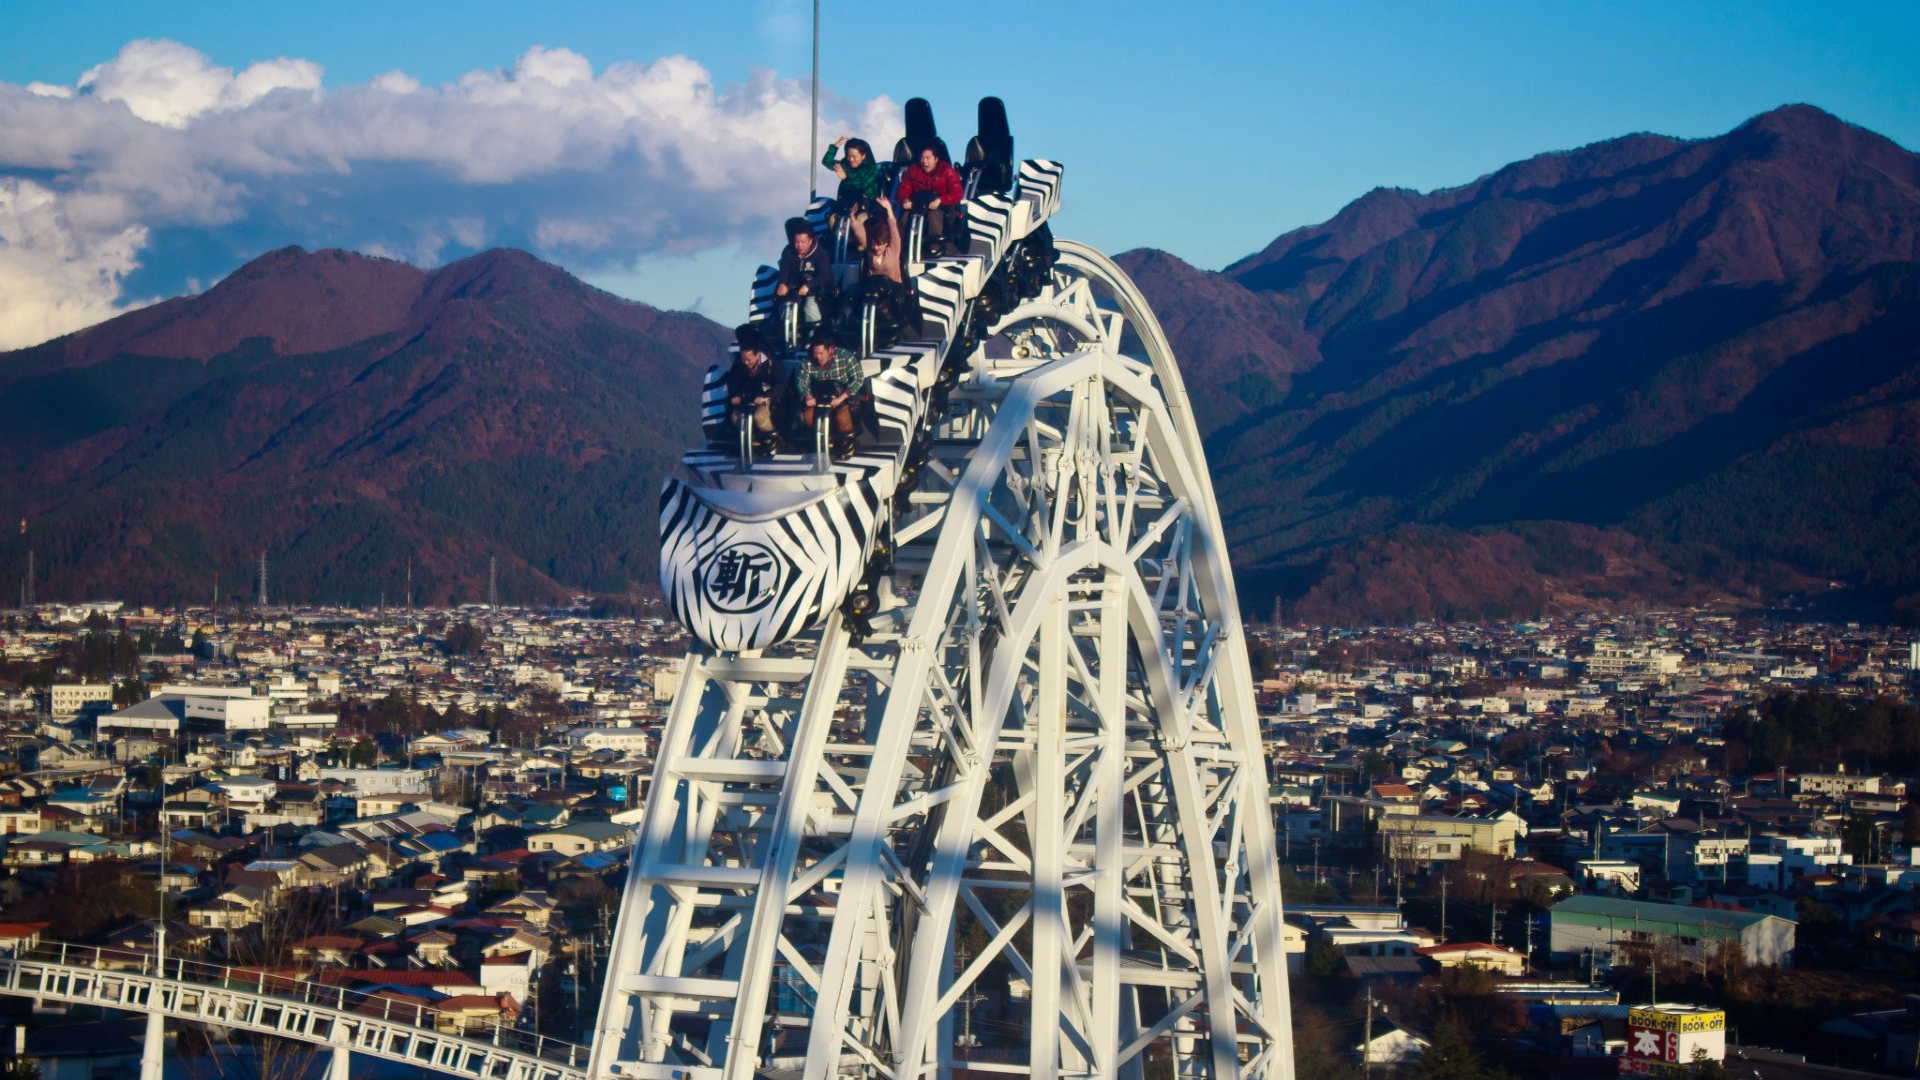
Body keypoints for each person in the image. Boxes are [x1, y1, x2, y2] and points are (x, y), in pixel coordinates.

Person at [795, 328, 868, 454]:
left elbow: (858, 378)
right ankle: (823, 442)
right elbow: (802, 382)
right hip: (819, 397)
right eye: (815, 353)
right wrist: (807, 395)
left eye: (820, 353)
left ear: (830, 350)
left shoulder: (846, 357)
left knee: (842, 419)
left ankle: (846, 447)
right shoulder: (807, 362)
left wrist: (841, 398)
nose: (817, 357)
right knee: (808, 417)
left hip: (841, 396)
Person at [892, 143, 964, 257]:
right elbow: (903, 189)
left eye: (928, 158)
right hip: (918, 205)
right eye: (922, 158)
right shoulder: (913, 170)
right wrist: (904, 200)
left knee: (934, 216)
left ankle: (934, 247)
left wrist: (941, 200)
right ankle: (902, 247)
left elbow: (957, 193)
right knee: (905, 216)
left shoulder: (946, 170)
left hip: (942, 207)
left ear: (935, 159)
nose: (924, 161)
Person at [725, 324, 781, 452]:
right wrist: (734, 394)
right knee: (735, 417)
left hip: (767, 396)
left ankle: (771, 443)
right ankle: (752, 444)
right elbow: (733, 380)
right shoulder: (740, 362)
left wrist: (768, 396)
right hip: (748, 396)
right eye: (743, 359)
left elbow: (781, 384)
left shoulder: (771, 362)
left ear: (757, 355)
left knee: (759, 416)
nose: (746, 362)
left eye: (749, 360)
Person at [775, 216, 832, 332]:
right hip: (794, 286)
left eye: (802, 242)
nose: (799, 246)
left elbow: (825, 274)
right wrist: (782, 284)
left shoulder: (820, 253)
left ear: (810, 241)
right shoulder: (788, 252)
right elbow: (784, 271)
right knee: (786, 307)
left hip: (816, 287)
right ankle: (788, 334)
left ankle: (813, 335)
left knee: (810, 307)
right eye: (796, 242)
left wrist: (808, 286)